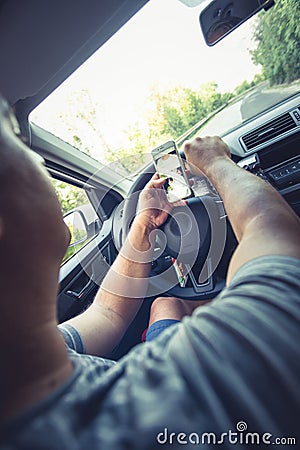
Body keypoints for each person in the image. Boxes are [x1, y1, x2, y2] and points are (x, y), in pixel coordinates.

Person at [0, 93, 299, 448]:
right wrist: (216, 162)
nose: (36, 158)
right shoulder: (210, 377)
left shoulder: (25, 362)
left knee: (165, 304)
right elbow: (279, 241)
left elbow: (107, 312)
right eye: (20, 146)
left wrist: (142, 226)